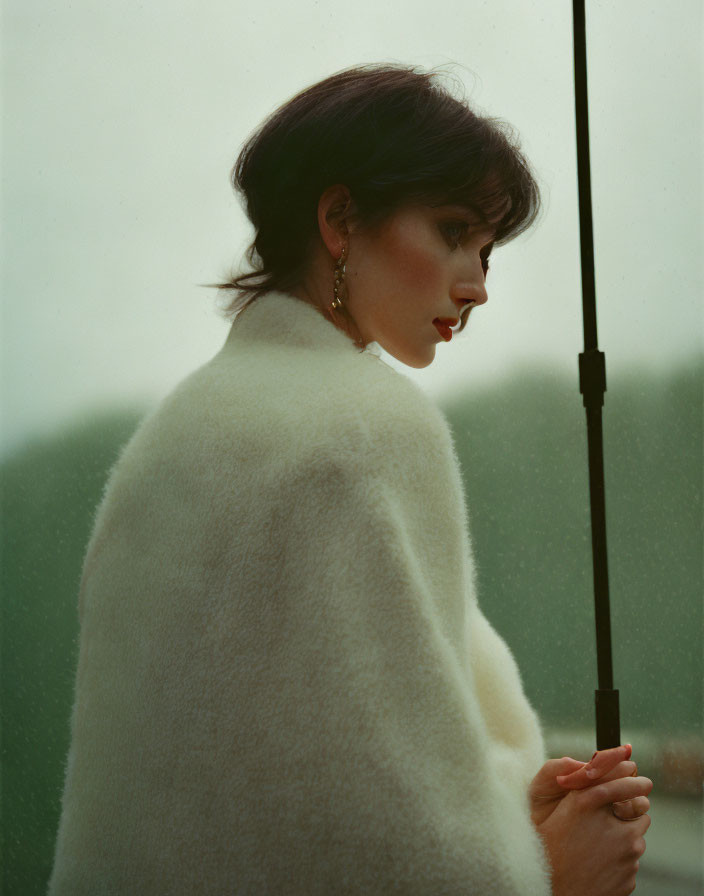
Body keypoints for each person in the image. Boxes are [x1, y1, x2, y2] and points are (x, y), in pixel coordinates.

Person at [47, 63, 652, 895]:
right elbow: (380, 852)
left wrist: (507, 809)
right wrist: (554, 878)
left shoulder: (175, 436)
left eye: (486, 249)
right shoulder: (361, 433)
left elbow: (262, 788)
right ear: (340, 218)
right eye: (451, 231)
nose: (476, 286)